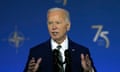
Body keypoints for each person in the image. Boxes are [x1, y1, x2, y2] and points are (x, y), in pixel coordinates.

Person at [24, 7, 96, 72]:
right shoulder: (36, 52)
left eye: (58, 23)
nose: (53, 27)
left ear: (68, 26)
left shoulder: (81, 52)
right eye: (50, 23)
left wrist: (89, 71)